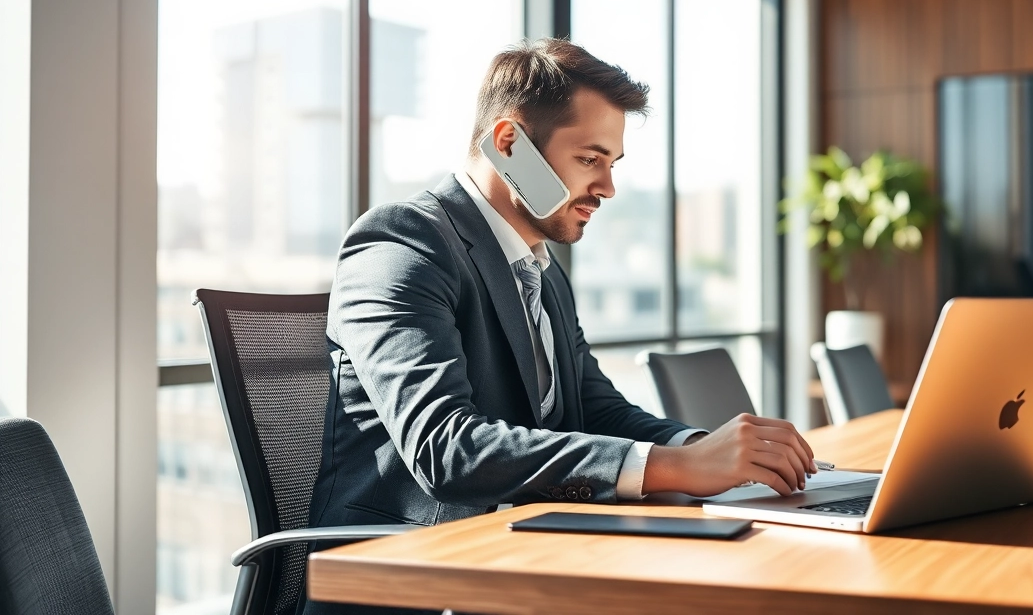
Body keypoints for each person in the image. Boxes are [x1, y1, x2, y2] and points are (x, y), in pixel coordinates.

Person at [301, 39, 813, 615]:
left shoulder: (541, 269)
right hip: (413, 576)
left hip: (530, 553)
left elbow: (597, 409)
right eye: (590, 159)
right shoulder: (402, 243)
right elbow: (446, 448)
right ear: (509, 143)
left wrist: (708, 450)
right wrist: (676, 467)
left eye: (611, 165)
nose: (608, 188)